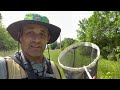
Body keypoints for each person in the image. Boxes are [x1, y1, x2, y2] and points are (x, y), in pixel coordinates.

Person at [0, 13, 62, 79]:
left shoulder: (54, 68)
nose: (37, 40)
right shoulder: (3, 66)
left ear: (48, 38)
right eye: (30, 33)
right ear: (20, 36)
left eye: (42, 34)